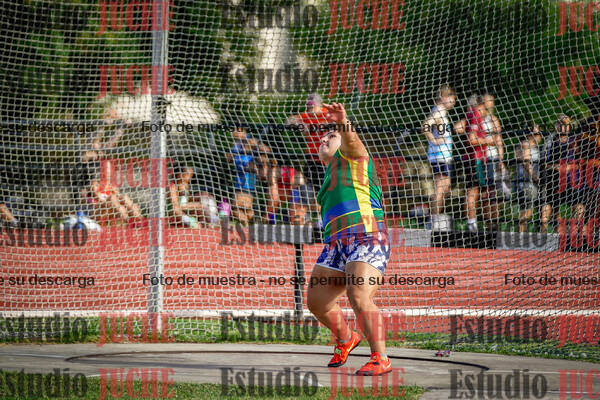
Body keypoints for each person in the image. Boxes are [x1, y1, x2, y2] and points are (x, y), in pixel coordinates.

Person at [307, 103, 391, 376]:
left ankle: (380, 358)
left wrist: (343, 122)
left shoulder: (353, 157)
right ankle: (346, 338)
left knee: (358, 294)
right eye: (323, 137)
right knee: (317, 302)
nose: (323, 139)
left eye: (330, 136)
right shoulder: (328, 175)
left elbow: (352, 141)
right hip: (336, 244)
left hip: (367, 235)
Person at [539, 115, 585, 233]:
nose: (563, 127)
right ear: (556, 125)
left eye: (566, 124)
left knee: (578, 205)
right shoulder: (550, 141)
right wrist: (555, 167)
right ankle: (547, 234)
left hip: (571, 179)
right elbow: (543, 162)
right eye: (560, 124)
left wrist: (569, 167)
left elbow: (581, 162)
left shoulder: (575, 140)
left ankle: (576, 232)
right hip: (554, 178)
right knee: (552, 206)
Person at [288, 94, 331, 217]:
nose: (309, 109)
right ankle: (306, 218)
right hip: (311, 159)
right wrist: (300, 125)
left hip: (326, 160)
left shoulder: (327, 114)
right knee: (307, 192)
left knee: (325, 193)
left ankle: (323, 220)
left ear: (320, 105)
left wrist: (322, 126)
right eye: (308, 107)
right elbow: (289, 120)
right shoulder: (307, 116)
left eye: (312, 107)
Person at [422, 85, 456, 230]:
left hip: (443, 156)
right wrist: (434, 140)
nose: (454, 101)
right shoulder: (439, 111)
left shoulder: (441, 112)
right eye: (451, 98)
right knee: (441, 189)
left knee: (444, 188)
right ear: (443, 97)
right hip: (439, 156)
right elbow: (425, 125)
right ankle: (433, 220)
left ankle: (433, 217)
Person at [464, 95, 498, 232]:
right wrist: (488, 141)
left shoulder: (473, 114)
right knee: (473, 191)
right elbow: (471, 139)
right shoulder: (475, 115)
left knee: (481, 191)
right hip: (475, 158)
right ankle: (472, 224)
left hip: (477, 158)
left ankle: (480, 224)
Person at [482, 93, 511, 200]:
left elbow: (498, 141)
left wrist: (500, 159)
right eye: (489, 100)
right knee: (482, 188)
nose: (491, 103)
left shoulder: (492, 119)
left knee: (490, 188)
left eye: (491, 101)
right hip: (479, 157)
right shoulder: (476, 117)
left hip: (491, 156)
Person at [227, 127, 258, 226]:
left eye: (235, 130)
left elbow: (262, 148)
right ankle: (251, 222)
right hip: (239, 176)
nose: (233, 132)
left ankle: (248, 222)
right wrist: (230, 156)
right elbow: (229, 159)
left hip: (248, 177)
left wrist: (250, 146)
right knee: (245, 208)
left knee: (237, 207)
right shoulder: (236, 144)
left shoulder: (249, 140)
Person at [515, 124, 543, 232]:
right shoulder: (525, 145)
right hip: (527, 183)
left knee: (528, 211)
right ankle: (520, 235)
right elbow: (526, 163)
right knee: (526, 211)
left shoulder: (535, 147)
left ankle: (522, 234)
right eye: (537, 134)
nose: (540, 136)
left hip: (531, 182)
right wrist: (535, 177)